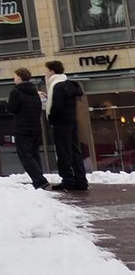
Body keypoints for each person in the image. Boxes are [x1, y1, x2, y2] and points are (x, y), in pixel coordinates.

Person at [44, 59, 89, 191]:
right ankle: (81, 181)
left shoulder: (56, 86)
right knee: (75, 151)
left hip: (61, 124)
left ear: (52, 71)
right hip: (72, 122)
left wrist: (51, 118)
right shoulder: (69, 84)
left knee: (63, 152)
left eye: (46, 70)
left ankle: (67, 180)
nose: (45, 73)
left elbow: (57, 106)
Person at [6, 67, 49, 189]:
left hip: (22, 129)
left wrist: (8, 103)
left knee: (25, 155)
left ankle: (39, 180)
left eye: (14, 76)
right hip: (35, 127)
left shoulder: (16, 92)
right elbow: (38, 109)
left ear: (19, 78)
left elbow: (12, 108)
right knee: (34, 154)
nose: (14, 79)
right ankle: (39, 178)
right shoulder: (34, 92)